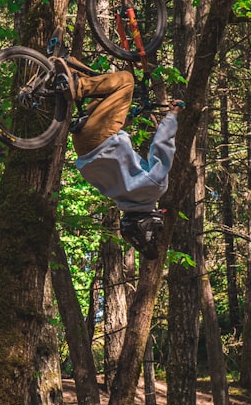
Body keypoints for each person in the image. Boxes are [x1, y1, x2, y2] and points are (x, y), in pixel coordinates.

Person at [52, 59, 182, 260]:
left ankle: (76, 84)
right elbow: (111, 162)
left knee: (125, 81)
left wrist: (172, 116)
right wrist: (122, 127)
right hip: (82, 143)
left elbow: (162, 147)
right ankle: (64, 68)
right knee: (104, 90)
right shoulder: (118, 195)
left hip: (101, 136)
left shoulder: (155, 188)